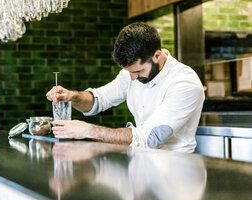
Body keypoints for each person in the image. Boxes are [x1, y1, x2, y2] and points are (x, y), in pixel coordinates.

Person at [46, 22, 204, 153]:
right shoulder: (131, 73)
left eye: (138, 71)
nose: (132, 78)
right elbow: (98, 100)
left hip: (175, 172)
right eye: (129, 72)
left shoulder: (184, 84)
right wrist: (72, 97)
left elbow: (149, 138)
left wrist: (88, 130)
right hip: (143, 165)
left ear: (157, 56)